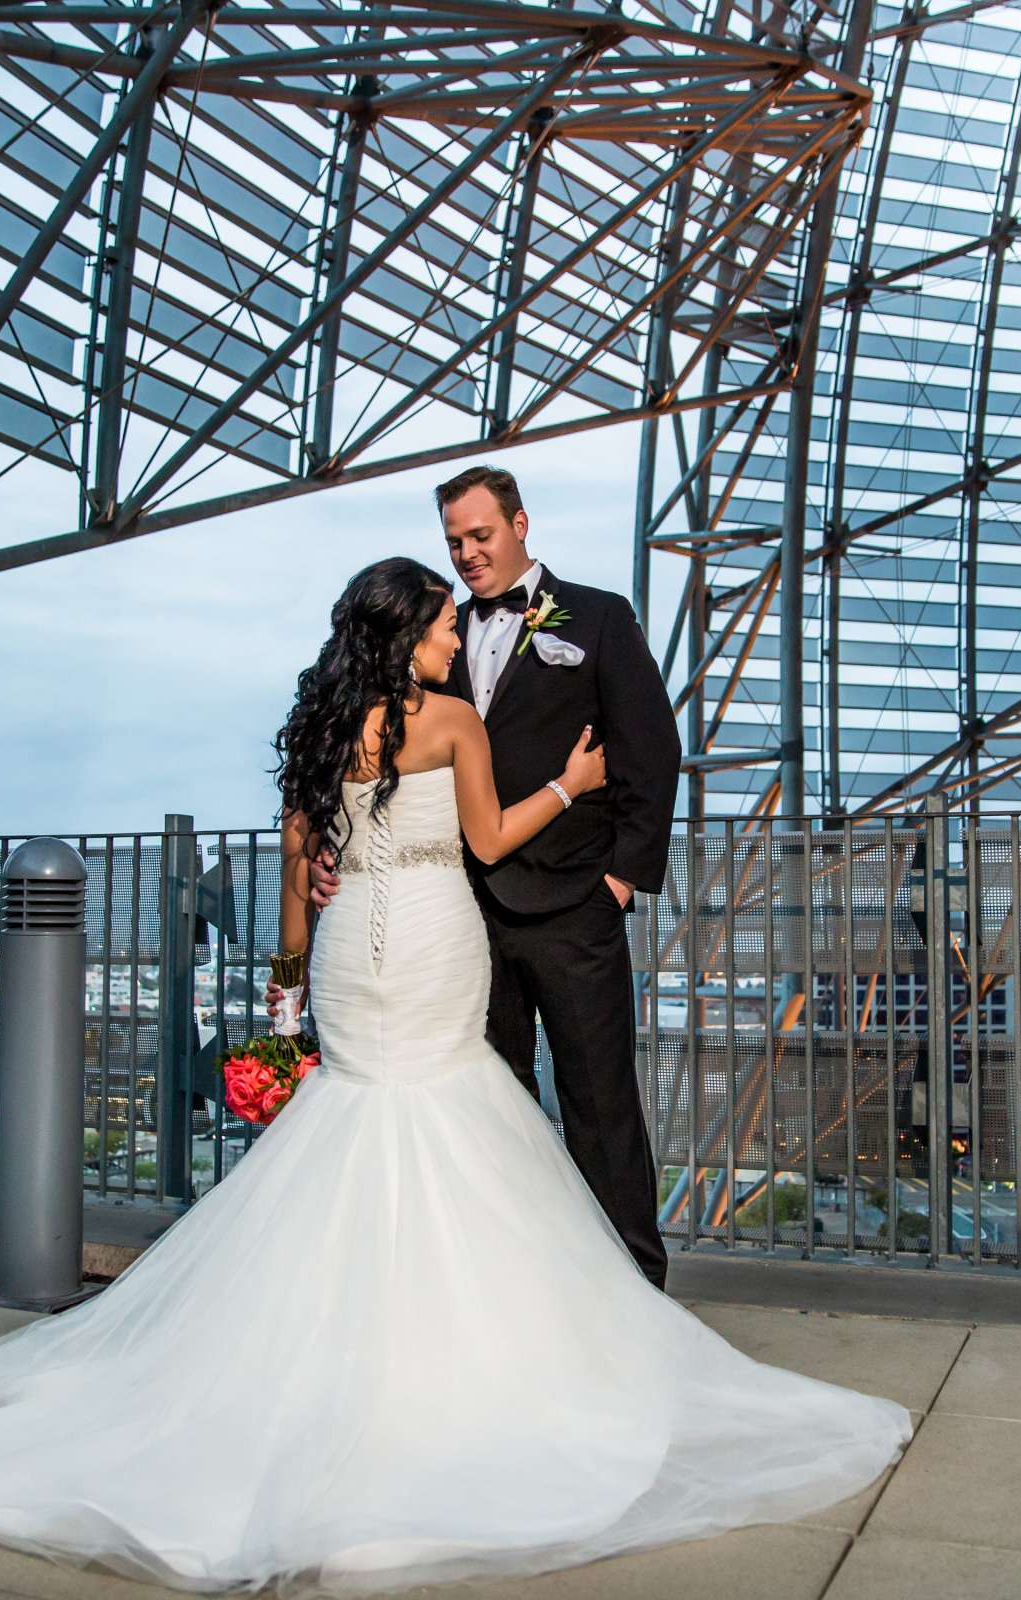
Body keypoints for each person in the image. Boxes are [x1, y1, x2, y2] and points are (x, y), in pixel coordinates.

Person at [0, 556, 911, 1595]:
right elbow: (487, 841)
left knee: (353, 1126)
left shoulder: (320, 733)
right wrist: (571, 786)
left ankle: (322, 1369)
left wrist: (286, 1001)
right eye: (435, 623)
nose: (448, 636)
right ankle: (457, 1374)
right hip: (430, 940)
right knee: (453, 1121)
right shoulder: (454, 722)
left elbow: (296, 880)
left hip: (344, 959)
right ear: (407, 634)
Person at [284, 464, 680, 1288]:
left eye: (480, 535)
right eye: (453, 541)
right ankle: (520, 1286)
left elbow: (650, 751)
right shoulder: (433, 634)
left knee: (598, 1109)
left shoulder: (601, 619)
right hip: (460, 923)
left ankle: (635, 1287)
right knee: (487, 1121)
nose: (467, 554)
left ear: (520, 524)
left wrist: (620, 882)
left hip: (574, 909)